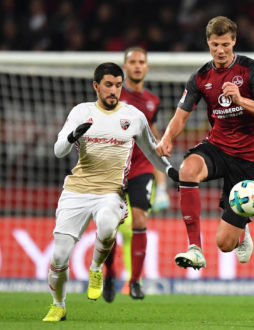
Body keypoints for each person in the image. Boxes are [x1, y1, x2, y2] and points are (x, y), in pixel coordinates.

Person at [42, 62, 178, 322]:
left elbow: (152, 151)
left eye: (118, 85)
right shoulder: (81, 112)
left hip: (112, 191)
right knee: (59, 257)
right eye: (108, 85)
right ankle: (58, 305)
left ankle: (96, 268)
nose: (114, 90)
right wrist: (72, 136)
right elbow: (58, 150)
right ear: (96, 86)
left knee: (106, 224)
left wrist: (172, 173)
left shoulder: (133, 116)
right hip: (77, 190)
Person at [156, 16, 254, 270]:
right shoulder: (201, 76)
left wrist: (241, 100)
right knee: (187, 170)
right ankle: (194, 248)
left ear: (234, 41)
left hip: (248, 158)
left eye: (225, 44)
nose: (220, 50)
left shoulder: (251, 70)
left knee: (225, 244)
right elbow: (181, 115)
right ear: (208, 43)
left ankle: (242, 230)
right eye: (215, 45)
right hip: (218, 146)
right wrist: (167, 138)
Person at [103, 47, 169, 302]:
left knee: (140, 222)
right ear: (125, 66)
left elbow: (153, 139)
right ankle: (109, 272)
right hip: (113, 169)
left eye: (142, 62)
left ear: (147, 67)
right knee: (108, 228)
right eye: (133, 62)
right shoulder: (114, 97)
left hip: (141, 169)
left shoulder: (153, 100)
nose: (138, 66)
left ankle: (135, 282)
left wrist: (162, 182)